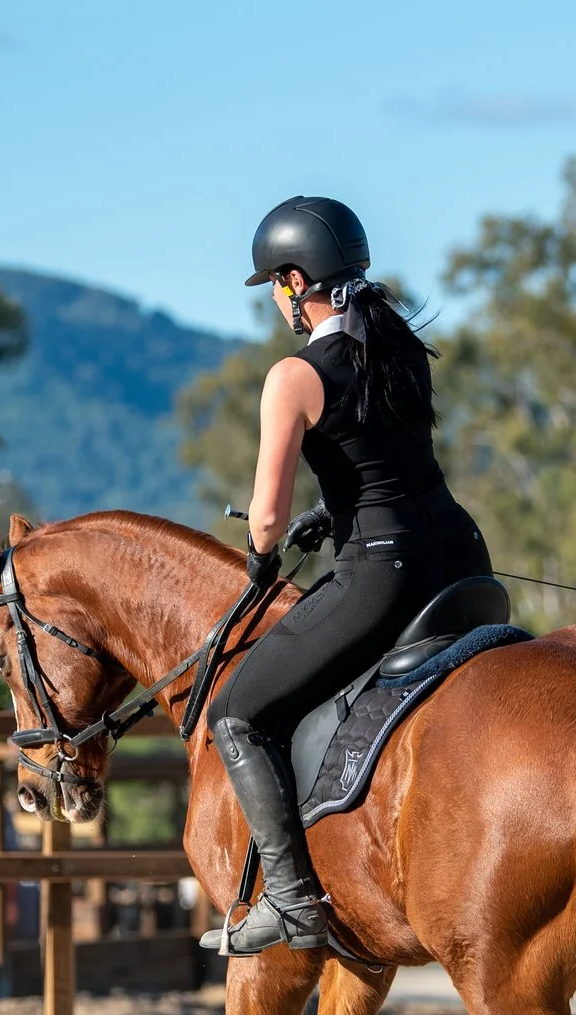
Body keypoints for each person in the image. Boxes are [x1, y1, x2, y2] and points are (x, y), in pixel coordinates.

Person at [202, 195, 493, 956]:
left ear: (297, 280)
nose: (274, 299)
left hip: (383, 577)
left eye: (273, 282)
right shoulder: (398, 344)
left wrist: (265, 555)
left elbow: (264, 517)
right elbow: (385, 465)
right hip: (461, 558)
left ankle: (294, 902)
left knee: (236, 711)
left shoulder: (294, 375)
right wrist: (333, 514)